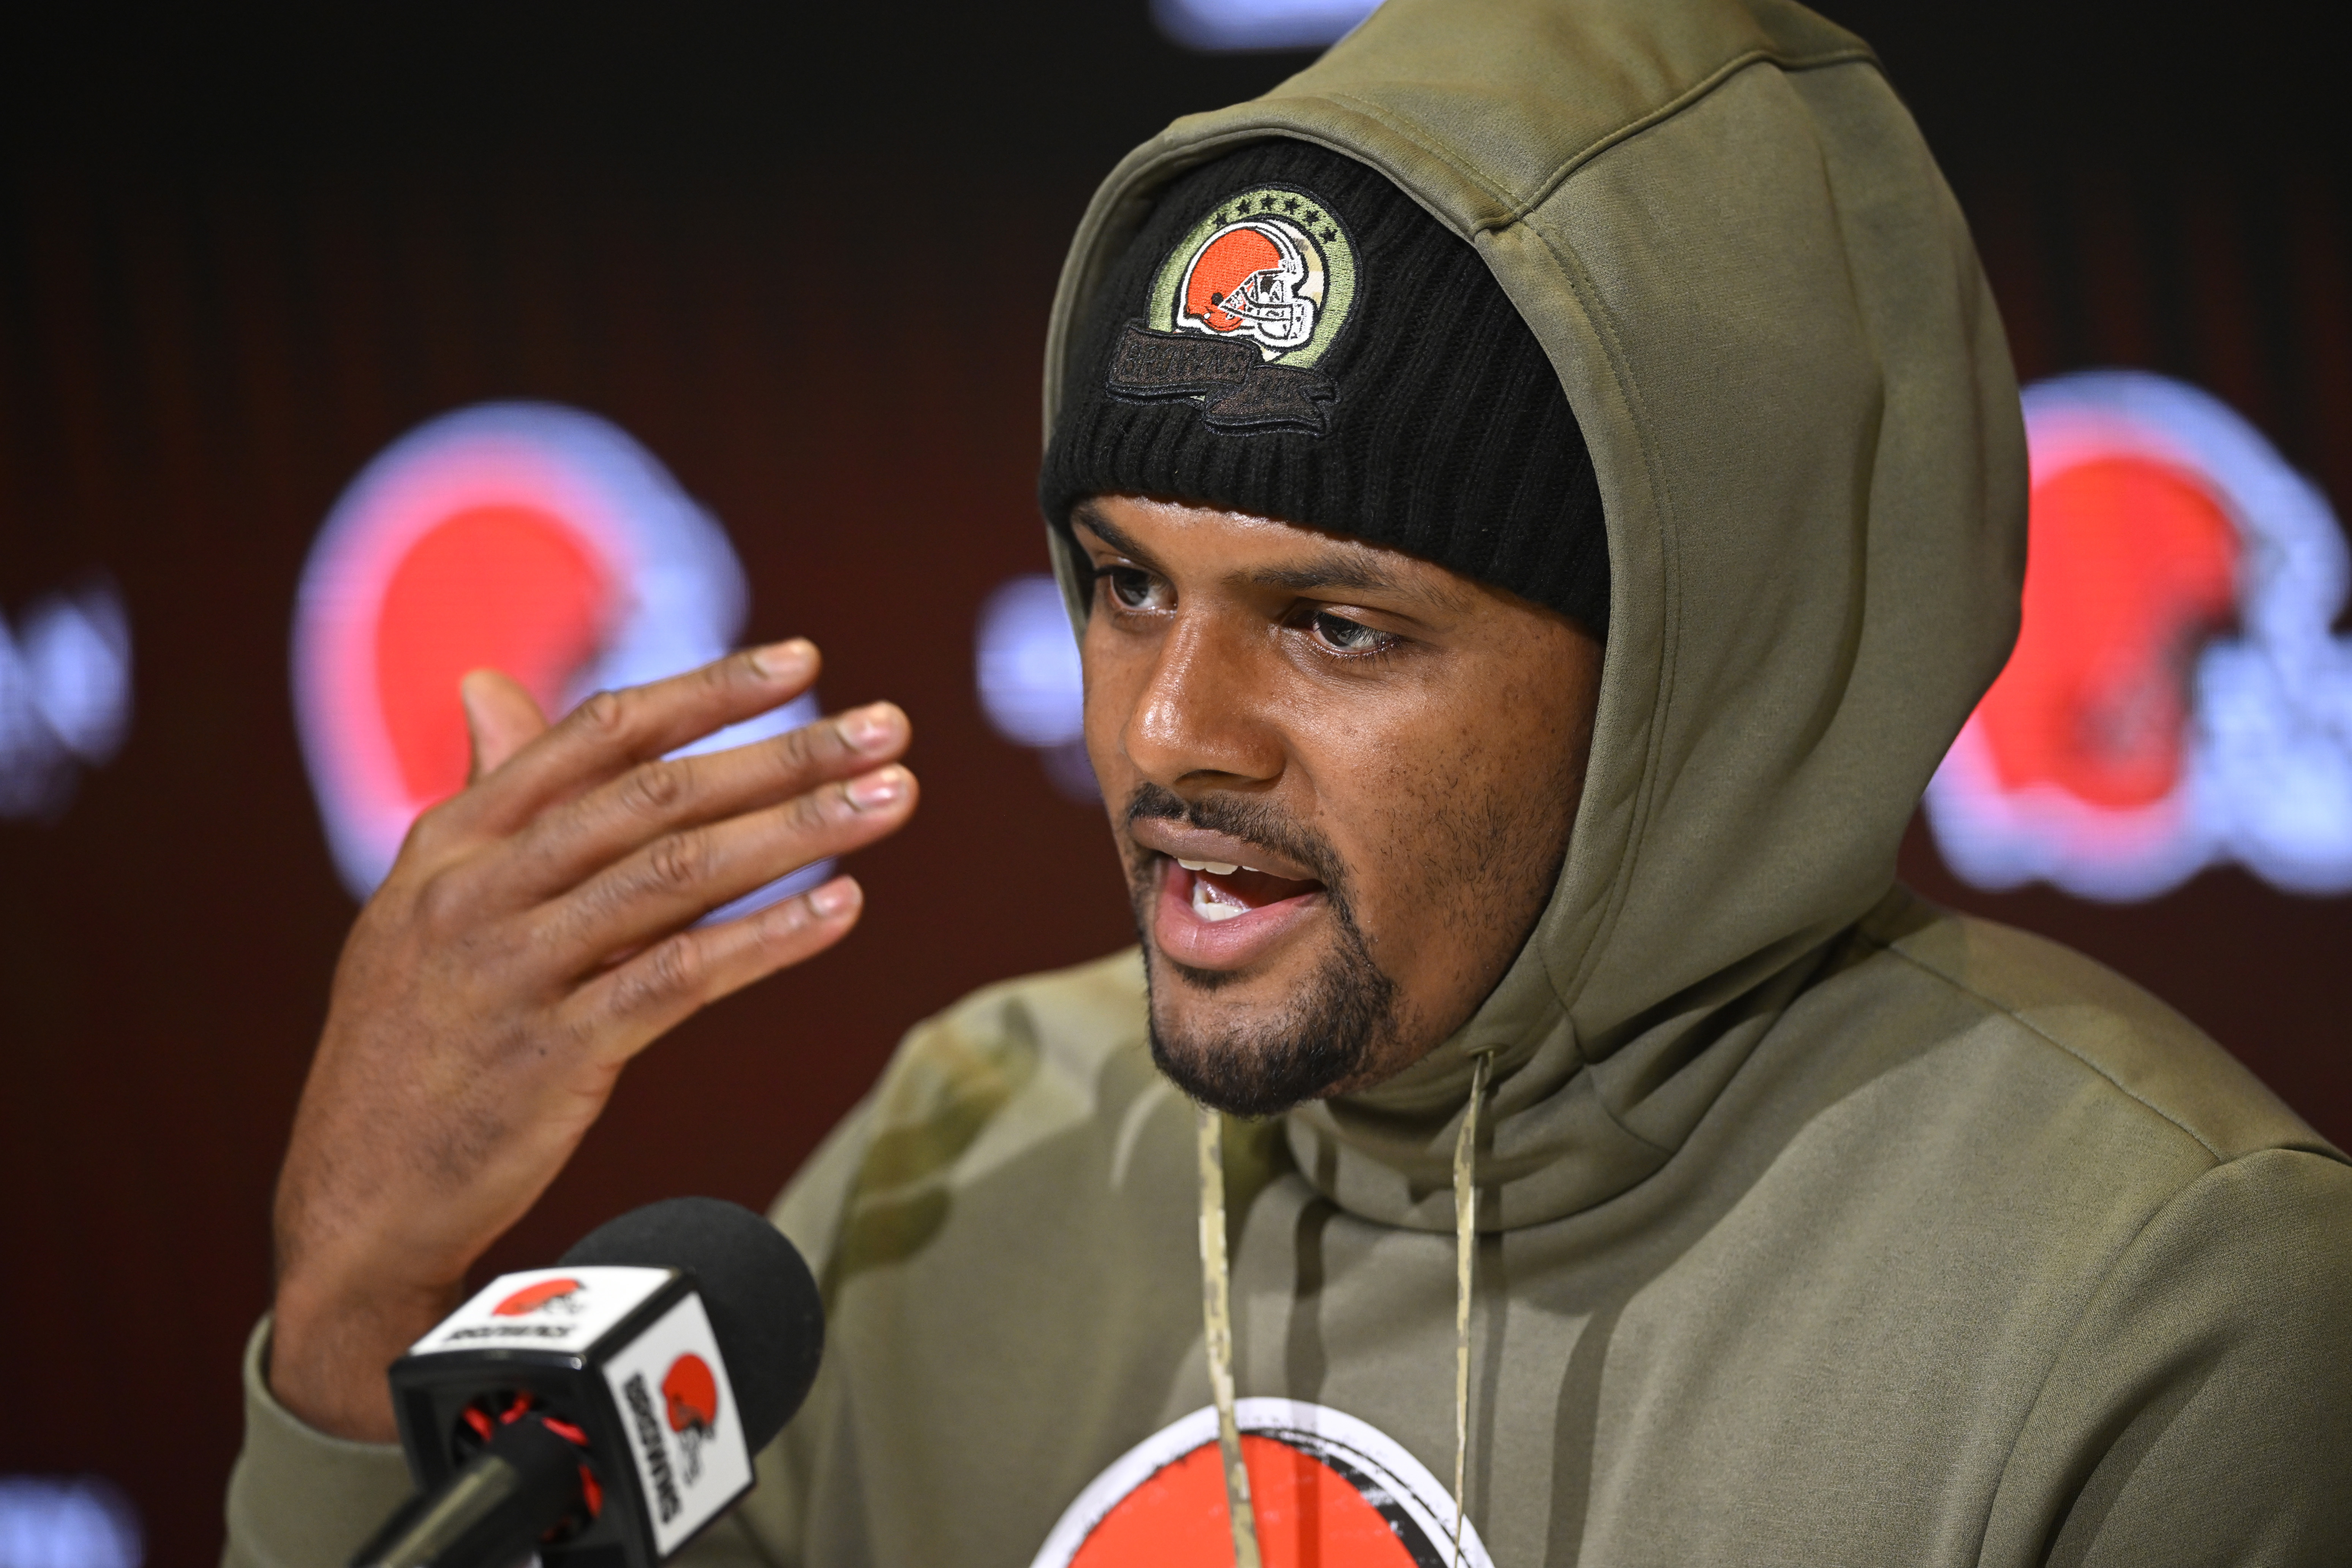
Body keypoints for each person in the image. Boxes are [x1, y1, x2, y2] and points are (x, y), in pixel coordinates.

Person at [223, 0, 2352, 1563]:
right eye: (1126, 586)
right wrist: (353, 1314)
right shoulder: (968, 1158)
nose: (1163, 735)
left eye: (1340, 628)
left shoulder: (2161, 1302)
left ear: (1695, 675)